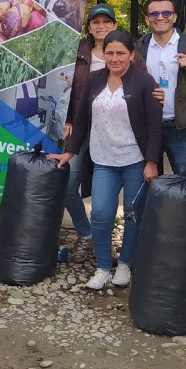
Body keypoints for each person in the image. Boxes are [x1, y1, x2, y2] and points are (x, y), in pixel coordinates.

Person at [49, 30, 162, 290]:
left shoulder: (144, 82)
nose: (115, 58)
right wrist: (70, 151)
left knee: (133, 215)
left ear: (131, 55)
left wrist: (152, 161)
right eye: (110, 53)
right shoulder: (94, 79)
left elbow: (155, 125)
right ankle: (102, 267)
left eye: (121, 53)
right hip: (103, 160)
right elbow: (81, 120)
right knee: (100, 213)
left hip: (135, 159)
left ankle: (124, 263)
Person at [62, 2, 119, 264]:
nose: (101, 26)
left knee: (103, 191)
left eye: (106, 22)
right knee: (67, 186)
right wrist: (68, 118)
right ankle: (85, 234)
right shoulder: (79, 53)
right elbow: (65, 88)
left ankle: (103, 243)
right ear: (89, 27)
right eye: (96, 22)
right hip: (81, 129)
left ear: (115, 26)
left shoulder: (126, 53)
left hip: (113, 132)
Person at [137, 0, 186, 174]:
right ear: (147, 20)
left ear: (174, 17)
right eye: (154, 14)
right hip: (148, 125)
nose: (160, 17)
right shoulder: (141, 46)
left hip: (181, 127)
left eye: (166, 12)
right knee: (148, 181)